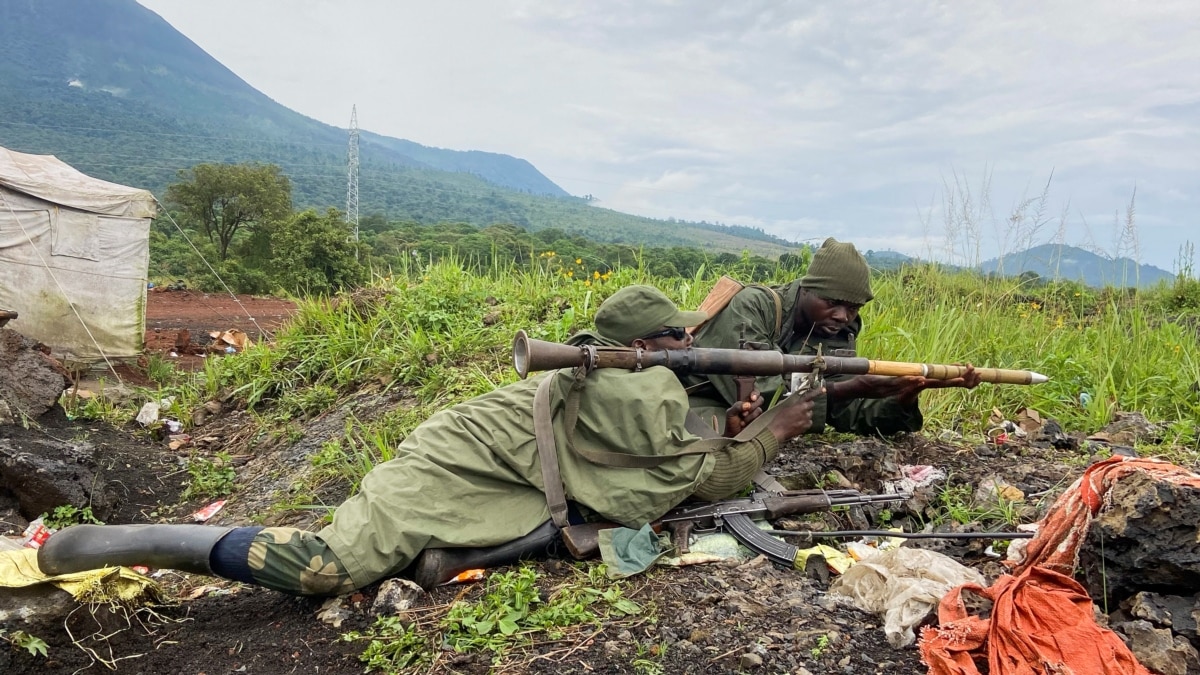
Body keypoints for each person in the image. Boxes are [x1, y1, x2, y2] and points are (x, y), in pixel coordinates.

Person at [37, 285, 817, 594]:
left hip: (500, 472)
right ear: (643, 346)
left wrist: (726, 429)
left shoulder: (631, 384)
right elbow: (696, 480)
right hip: (453, 461)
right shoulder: (629, 385)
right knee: (326, 568)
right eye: (675, 340)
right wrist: (773, 432)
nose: (687, 349)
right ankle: (147, 539)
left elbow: (670, 447)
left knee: (436, 556)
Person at [683, 238, 981, 436]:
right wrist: (849, 388)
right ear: (806, 288)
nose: (842, 316)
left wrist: (905, 394)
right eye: (832, 303)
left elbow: (846, 413)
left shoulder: (838, 331)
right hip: (690, 403)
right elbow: (759, 399)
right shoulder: (755, 306)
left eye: (853, 308)